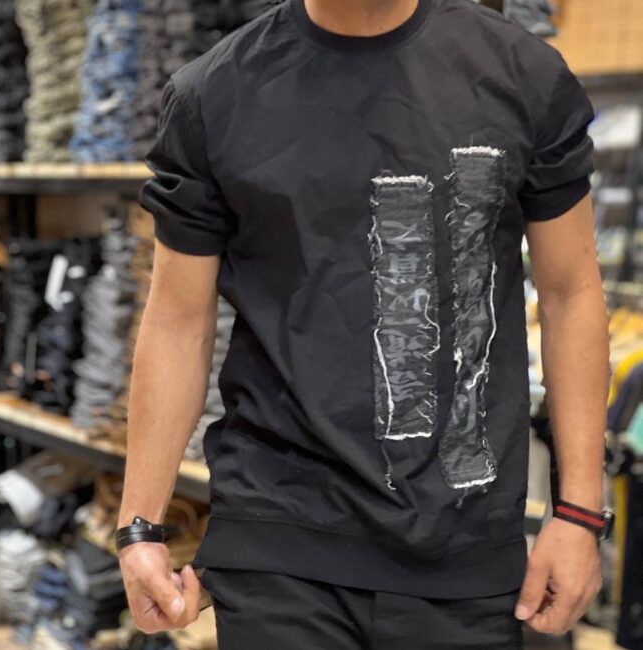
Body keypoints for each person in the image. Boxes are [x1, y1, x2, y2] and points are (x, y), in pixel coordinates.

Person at [117, 1, 610, 648]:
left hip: (463, 545)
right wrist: (139, 525)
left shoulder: (521, 74)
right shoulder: (214, 94)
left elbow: (571, 294)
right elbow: (178, 319)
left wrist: (579, 512)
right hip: (280, 538)